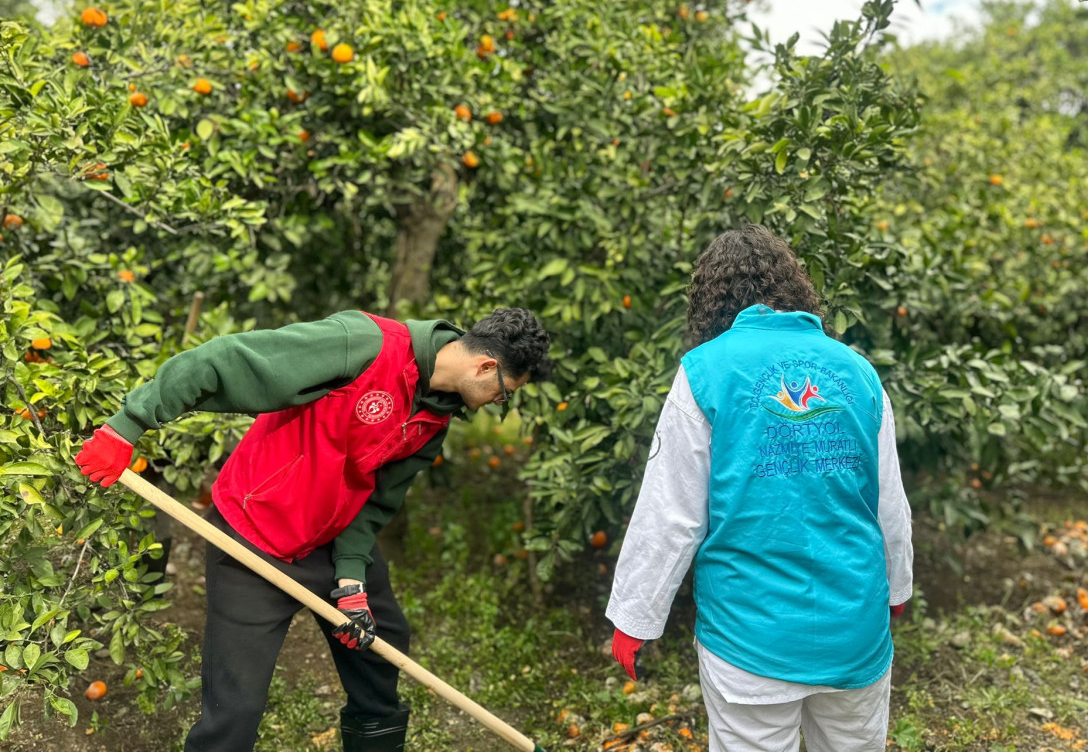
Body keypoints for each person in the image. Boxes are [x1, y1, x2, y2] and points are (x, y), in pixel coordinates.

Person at [74, 307, 552, 752]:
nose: (497, 404)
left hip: (331, 541)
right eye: (505, 393)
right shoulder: (362, 344)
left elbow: (377, 501)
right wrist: (126, 426)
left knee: (382, 653)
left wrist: (351, 579)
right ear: (486, 367)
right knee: (234, 711)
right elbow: (222, 359)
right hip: (254, 537)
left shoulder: (437, 413)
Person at [605, 226, 912, 752]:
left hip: (750, 640)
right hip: (854, 631)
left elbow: (671, 511)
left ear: (710, 302)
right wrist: (897, 591)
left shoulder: (706, 370)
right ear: (795, 288)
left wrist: (634, 618)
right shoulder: (858, 371)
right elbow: (890, 506)